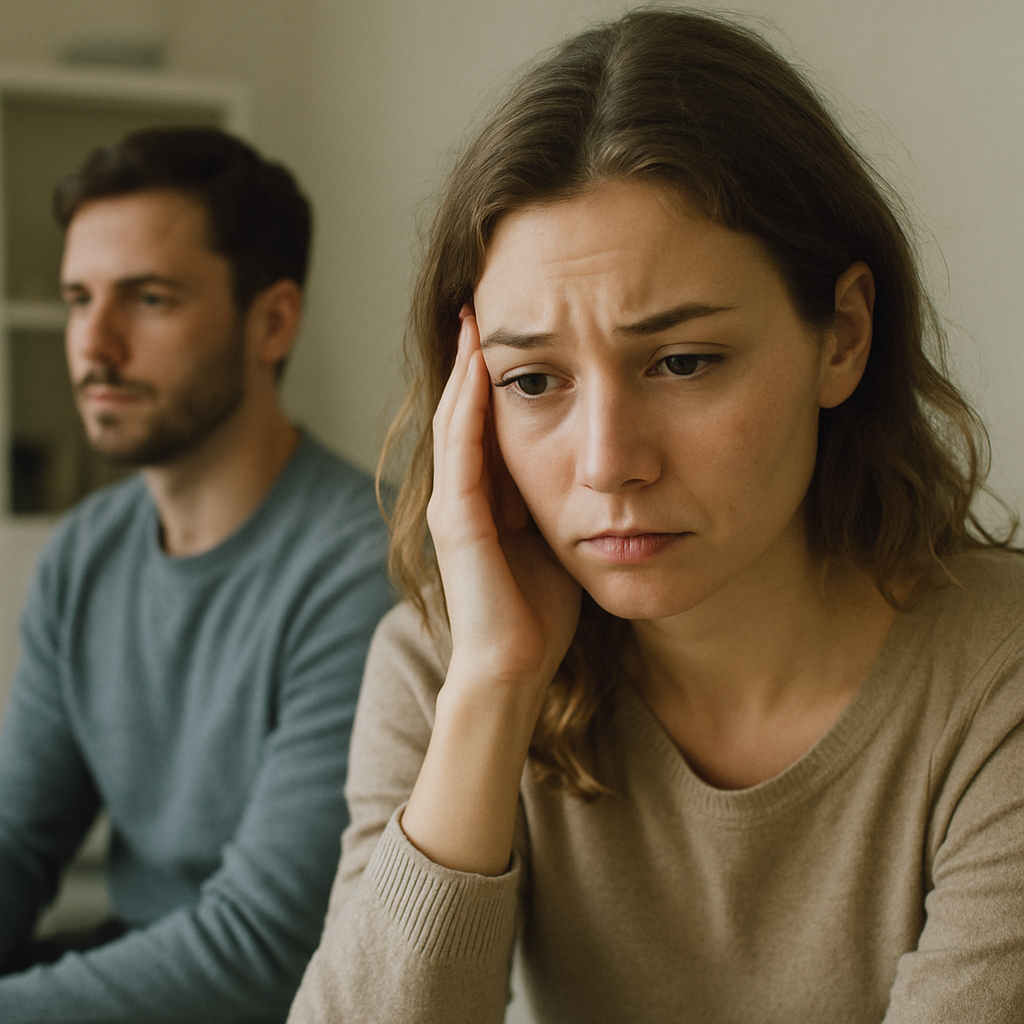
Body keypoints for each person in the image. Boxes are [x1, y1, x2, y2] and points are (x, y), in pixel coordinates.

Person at [288, 8, 1024, 1024]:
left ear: (842, 336)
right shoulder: (441, 669)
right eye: (535, 379)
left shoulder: (998, 678)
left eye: (682, 362)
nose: (605, 464)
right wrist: (493, 691)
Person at [0, 127, 393, 1022]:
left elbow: (263, 949)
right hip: (126, 966)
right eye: (76, 299)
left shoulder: (364, 567)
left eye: (149, 299)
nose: (94, 345)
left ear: (273, 321)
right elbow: (18, 842)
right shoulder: (83, 555)